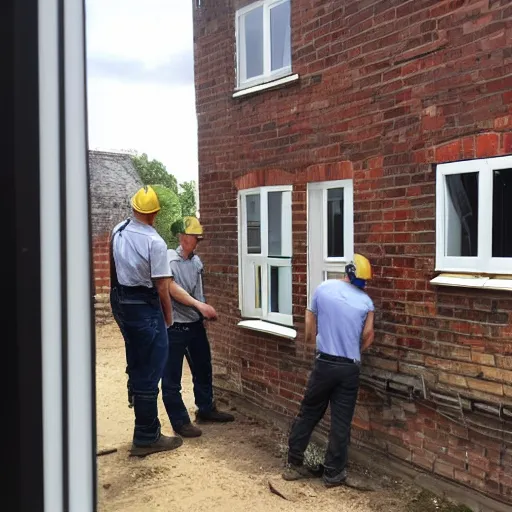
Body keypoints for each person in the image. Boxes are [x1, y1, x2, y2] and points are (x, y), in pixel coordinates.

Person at [283, 254, 375, 487]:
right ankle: (334, 474)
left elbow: (309, 321)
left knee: (310, 412)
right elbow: (368, 336)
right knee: (341, 422)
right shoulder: (366, 302)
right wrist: (355, 350)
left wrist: (312, 343)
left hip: (324, 363)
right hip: (349, 367)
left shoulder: (323, 288)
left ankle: (294, 464)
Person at [110, 185, 183, 457]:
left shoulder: (117, 230)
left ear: (134, 209)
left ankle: (145, 429)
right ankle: (146, 435)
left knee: (138, 361)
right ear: (154, 214)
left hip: (123, 302)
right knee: (152, 366)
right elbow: (162, 286)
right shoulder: (155, 242)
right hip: (145, 305)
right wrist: (167, 317)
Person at [161, 216, 235, 438]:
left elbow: (198, 290)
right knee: (172, 377)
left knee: (203, 367)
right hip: (174, 326)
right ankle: (180, 421)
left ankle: (205, 408)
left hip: (194, 325)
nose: (198, 241)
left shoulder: (196, 262)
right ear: (183, 238)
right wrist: (199, 305)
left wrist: (202, 312)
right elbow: (170, 287)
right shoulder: (169, 260)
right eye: (195, 237)